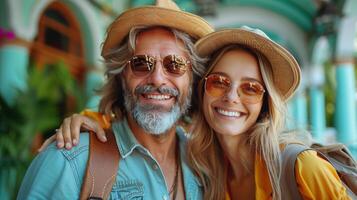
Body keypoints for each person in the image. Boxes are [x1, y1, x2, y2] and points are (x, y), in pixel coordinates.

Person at [46, 27, 352, 200]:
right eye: (219, 82)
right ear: (201, 90)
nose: (231, 97)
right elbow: (148, 108)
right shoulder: (205, 169)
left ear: (265, 102)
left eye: (250, 88)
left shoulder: (301, 168)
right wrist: (95, 121)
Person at [17, 0, 213, 199]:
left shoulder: (206, 166)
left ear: (192, 78)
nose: (157, 78)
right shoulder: (69, 161)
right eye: (141, 63)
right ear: (121, 76)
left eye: (175, 64)